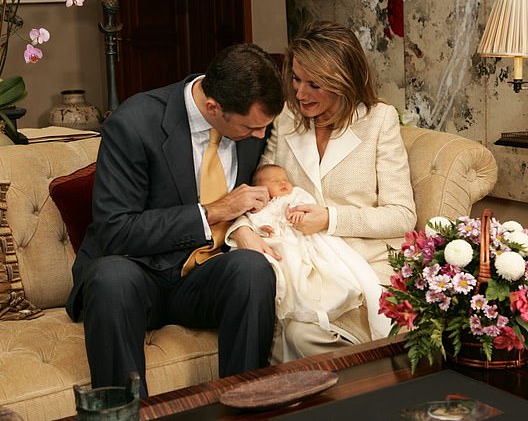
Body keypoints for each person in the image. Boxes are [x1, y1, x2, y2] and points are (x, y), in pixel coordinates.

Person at [65, 43, 285, 398]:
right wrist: (215, 210)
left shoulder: (252, 125)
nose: (260, 137)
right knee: (111, 279)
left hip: (201, 277)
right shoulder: (134, 124)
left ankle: (246, 406)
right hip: (138, 272)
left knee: (251, 269)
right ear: (213, 107)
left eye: (264, 128)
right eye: (251, 128)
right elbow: (116, 230)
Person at [230, 21, 417, 359]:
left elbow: (402, 216)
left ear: (343, 82)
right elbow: (262, 187)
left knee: (300, 334)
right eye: (296, 80)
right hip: (298, 262)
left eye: (314, 84)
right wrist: (242, 229)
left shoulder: (379, 120)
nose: (300, 94)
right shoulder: (286, 118)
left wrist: (329, 219)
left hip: (364, 265)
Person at [230, 164, 390, 361]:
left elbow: (402, 215)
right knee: (285, 278)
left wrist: (328, 218)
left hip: (329, 244)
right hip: (284, 248)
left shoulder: (295, 195)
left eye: (285, 179)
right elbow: (251, 215)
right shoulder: (277, 137)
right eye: (275, 181)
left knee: (320, 283)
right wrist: (246, 230)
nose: (282, 182)